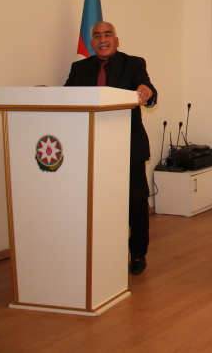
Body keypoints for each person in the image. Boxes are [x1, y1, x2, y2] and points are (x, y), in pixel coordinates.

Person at [64, 21, 157, 275]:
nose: (102, 39)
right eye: (97, 36)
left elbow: (147, 88)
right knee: (96, 203)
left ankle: (137, 254)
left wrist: (147, 92)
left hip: (129, 147)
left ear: (116, 40)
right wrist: (46, 95)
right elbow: (67, 97)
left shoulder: (134, 63)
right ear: (91, 43)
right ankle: (100, 252)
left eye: (107, 34)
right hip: (91, 146)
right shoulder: (78, 68)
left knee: (136, 203)